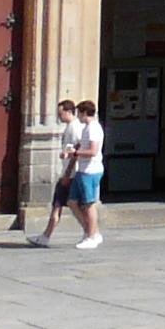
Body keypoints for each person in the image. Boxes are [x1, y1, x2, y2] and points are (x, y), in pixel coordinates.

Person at [31, 101, 106, 249]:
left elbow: (92, 151)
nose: (59, 117)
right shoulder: (84, 128)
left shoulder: (89, 128)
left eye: (60, 113)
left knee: (88, 204)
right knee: (72, 202)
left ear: (83, 112)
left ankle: (92, 235)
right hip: (80, 171)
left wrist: (72, 159)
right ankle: (89, 232)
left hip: (87, 171)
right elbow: (80, 145)